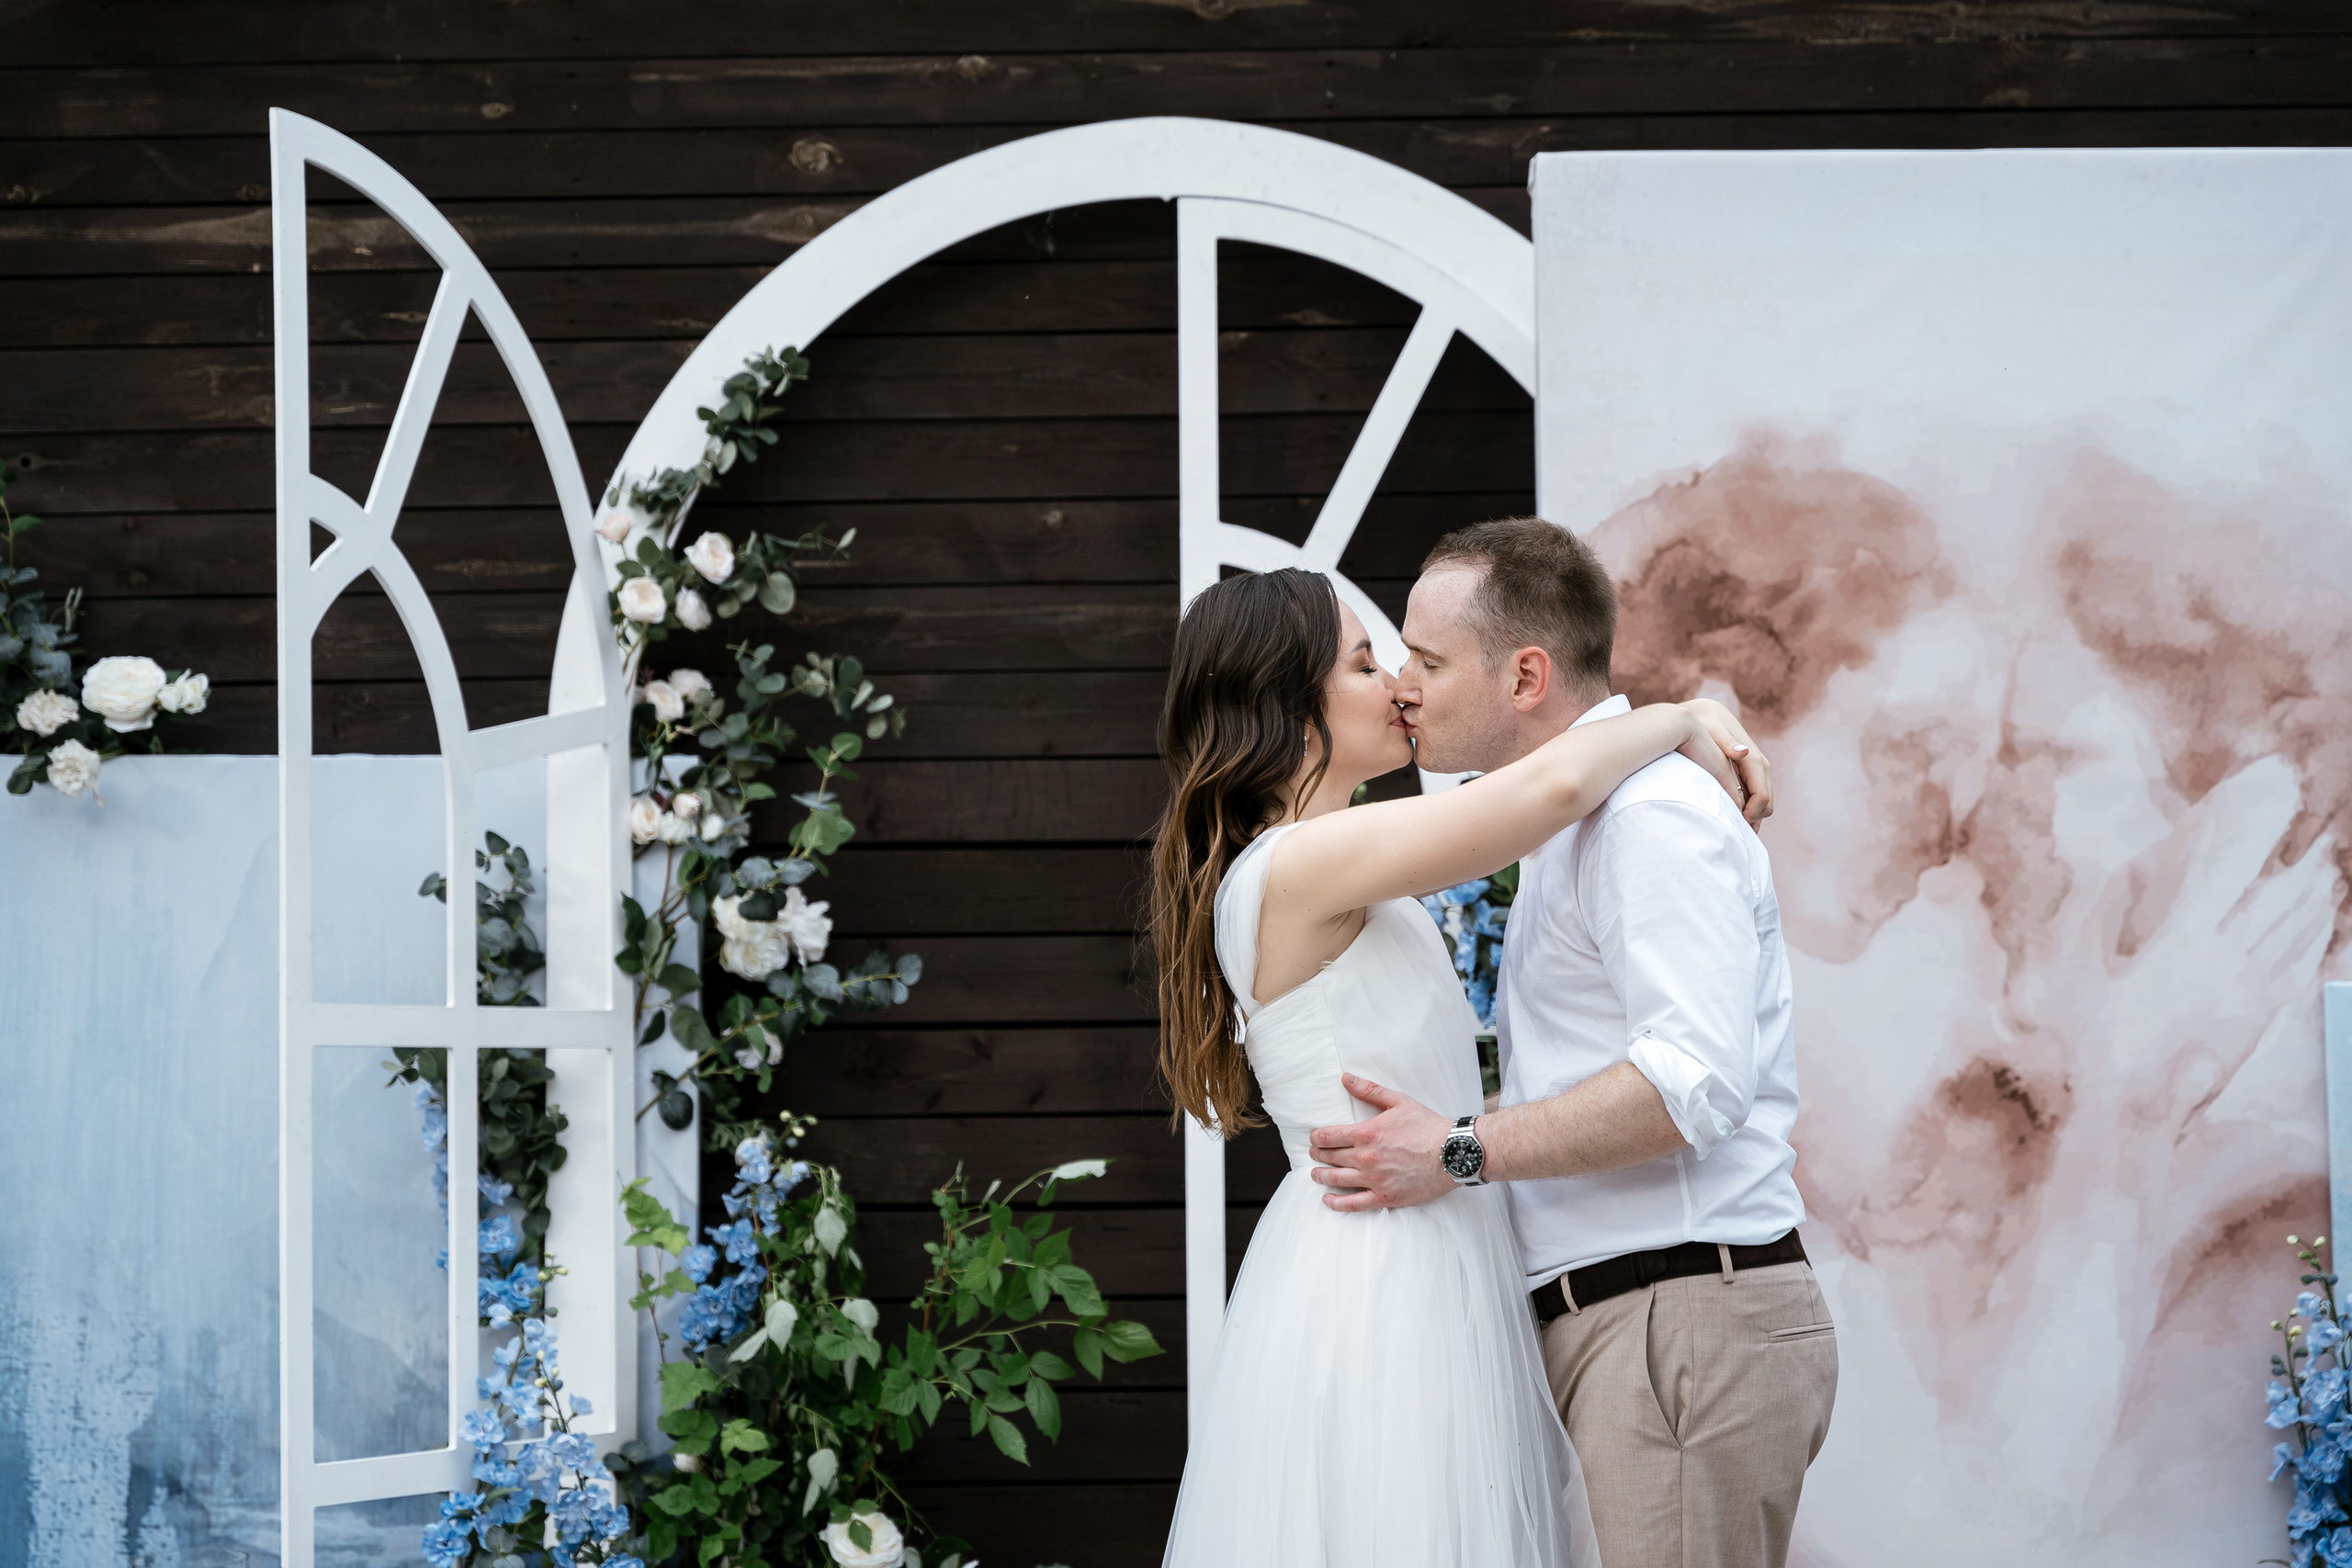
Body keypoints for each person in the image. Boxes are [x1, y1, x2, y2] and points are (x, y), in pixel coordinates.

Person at [1148, 564, 1770, 1568]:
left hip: (1417, 1235)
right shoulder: (1298, 865)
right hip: (1381, 1269)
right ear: (1289, 708)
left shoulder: (1327, 861)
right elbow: (1555, 787)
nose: (1396, 681)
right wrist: (1679, 715)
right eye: (1362, 663)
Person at [1306, 517, 1838, 1568]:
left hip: (1678, 1319)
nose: (1406, 684)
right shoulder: (1581, 821)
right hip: (1648, 1322)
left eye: (1429, 657)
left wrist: (1456, 1149)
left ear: (1525, 676)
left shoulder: (1647, 821)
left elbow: (1692, 1088)